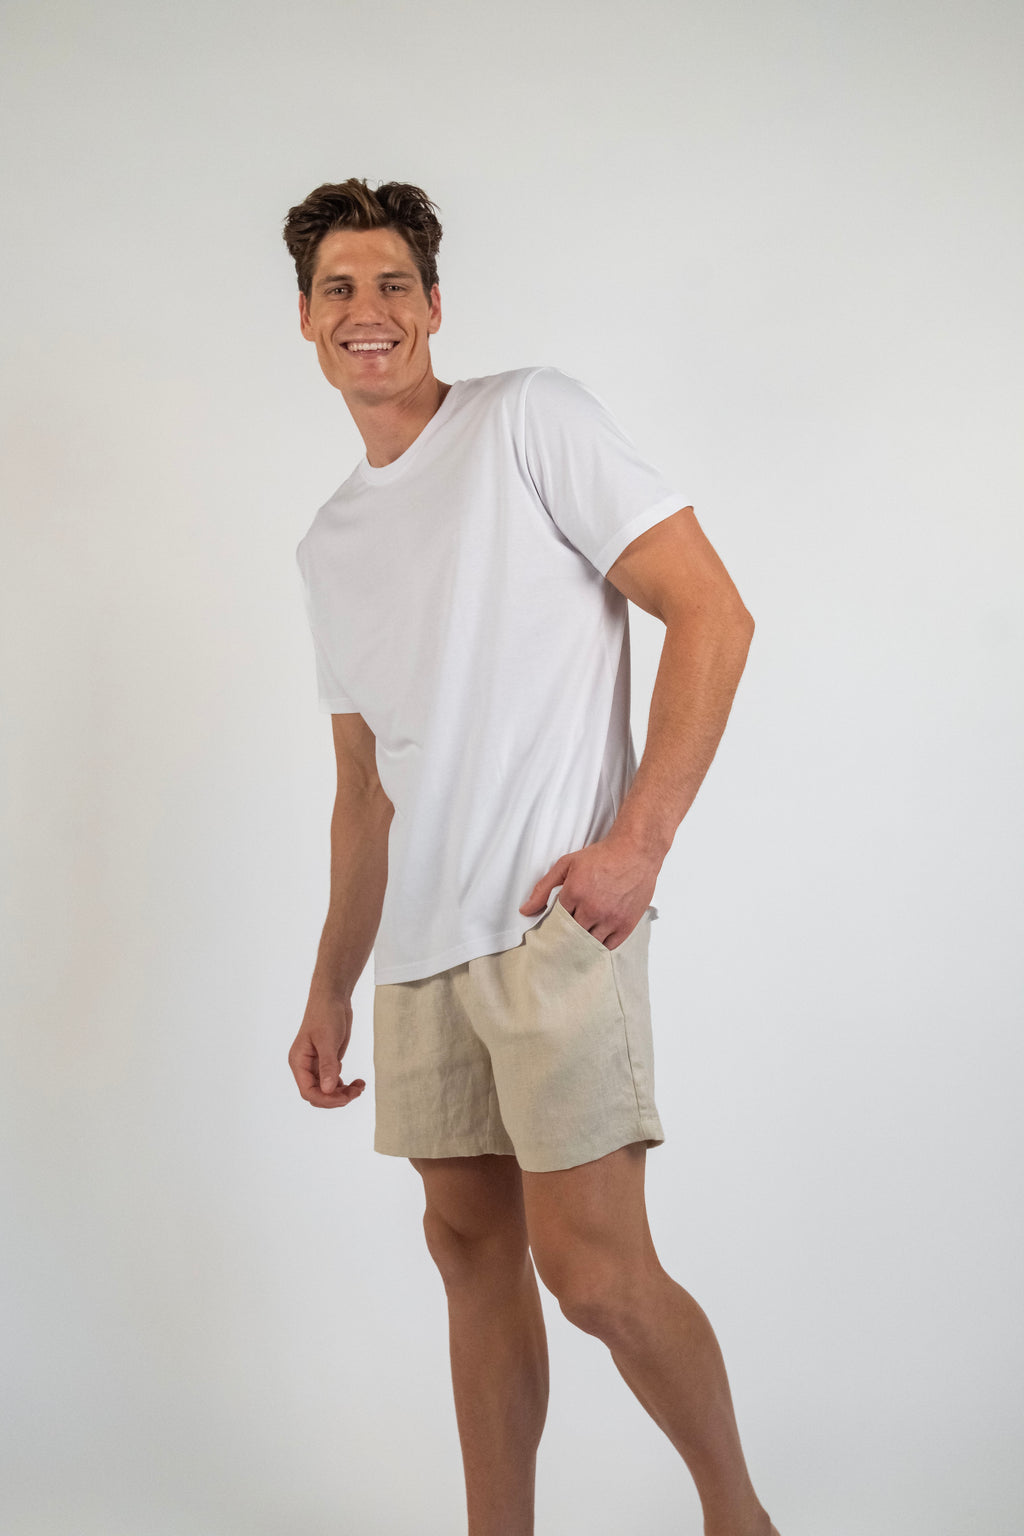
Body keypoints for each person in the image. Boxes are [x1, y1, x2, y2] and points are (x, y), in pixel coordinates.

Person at [284, 178, 779, 1536]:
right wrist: (331, 984)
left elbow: (713, 615)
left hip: (557, 926)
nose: (367, 312)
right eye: (338, 289)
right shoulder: (330, 544)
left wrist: (639, 845)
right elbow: (360, 790)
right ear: (306, 324)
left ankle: (745, 1523)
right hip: (422, 952)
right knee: (469, 1257)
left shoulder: (527, 421)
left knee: (597, 1270)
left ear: (434, 309)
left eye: (391, 285)